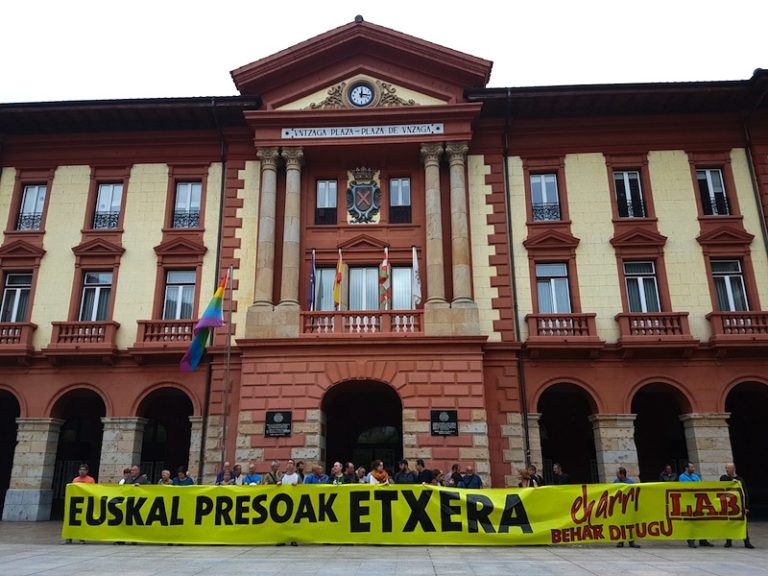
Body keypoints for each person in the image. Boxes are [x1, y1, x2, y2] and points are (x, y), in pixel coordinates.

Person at [679, 462, 714, 548]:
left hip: (698, 501)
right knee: (691, 522)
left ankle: (703, 540)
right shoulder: (682, 477)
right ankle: (691, 540)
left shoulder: (696, 476)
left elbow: (700, 485)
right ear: (686, 468)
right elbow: (688, 487)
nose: (693, 469)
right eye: (691, 467)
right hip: (689, 502)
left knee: (701, 521)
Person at [720, 462, 754, 549]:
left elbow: (745, 493)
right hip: (728, 506)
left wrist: (746, 507)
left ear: (733, 469)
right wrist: (732, 481)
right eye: (726, 468)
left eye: (728, 468)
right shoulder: (723, 478)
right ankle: (728, 541)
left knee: (742, 524)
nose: (727, 470)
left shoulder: (740, 480)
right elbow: (721, 485)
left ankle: (746, 541)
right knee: (728, 524)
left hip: (738, 507)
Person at [613, 467, 640, 548]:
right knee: (620, 524)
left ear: (622, 474)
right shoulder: (615, 482)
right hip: (619, 506)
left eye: (618, 473)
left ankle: (631, 541)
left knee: (630, 524)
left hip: (628, 507)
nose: (616, 475)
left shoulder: (630, 483)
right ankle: (620, 541)